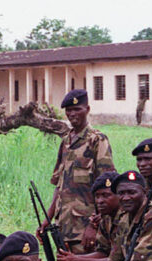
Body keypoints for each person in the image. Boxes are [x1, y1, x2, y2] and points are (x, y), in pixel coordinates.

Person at [43, 89, 115, 252]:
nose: (72, 114)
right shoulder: (66, 142)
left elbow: (107, 187)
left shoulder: (97, 140)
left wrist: (94, 225)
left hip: (85, 227)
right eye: (69, 110)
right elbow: (59, 185)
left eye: (77, 109)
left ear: (87, 110)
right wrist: (49, 216)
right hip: (63, 225)